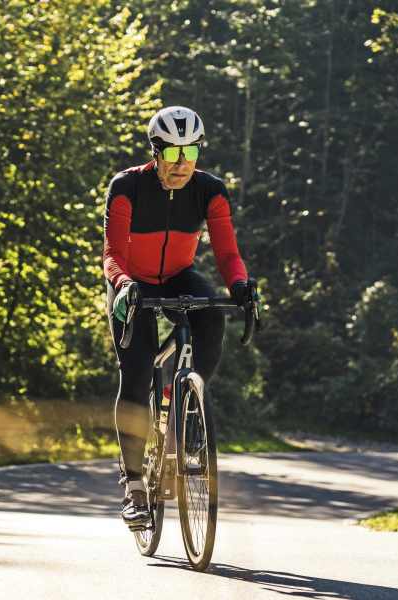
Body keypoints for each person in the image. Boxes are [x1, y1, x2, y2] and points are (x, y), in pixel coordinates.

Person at [103, 106, 255, 529]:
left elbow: (227, 254)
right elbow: (113, 254)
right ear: (156, 153)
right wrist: (122, 284)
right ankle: (134, 485)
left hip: (177, 277)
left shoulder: (211, 190)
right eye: (172, 154)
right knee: (134, 376)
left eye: (191, 151)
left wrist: (240, 284)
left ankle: (190, 410)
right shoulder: (127, 186)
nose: (182, 163)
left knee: (211, 315)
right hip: (132, 284)